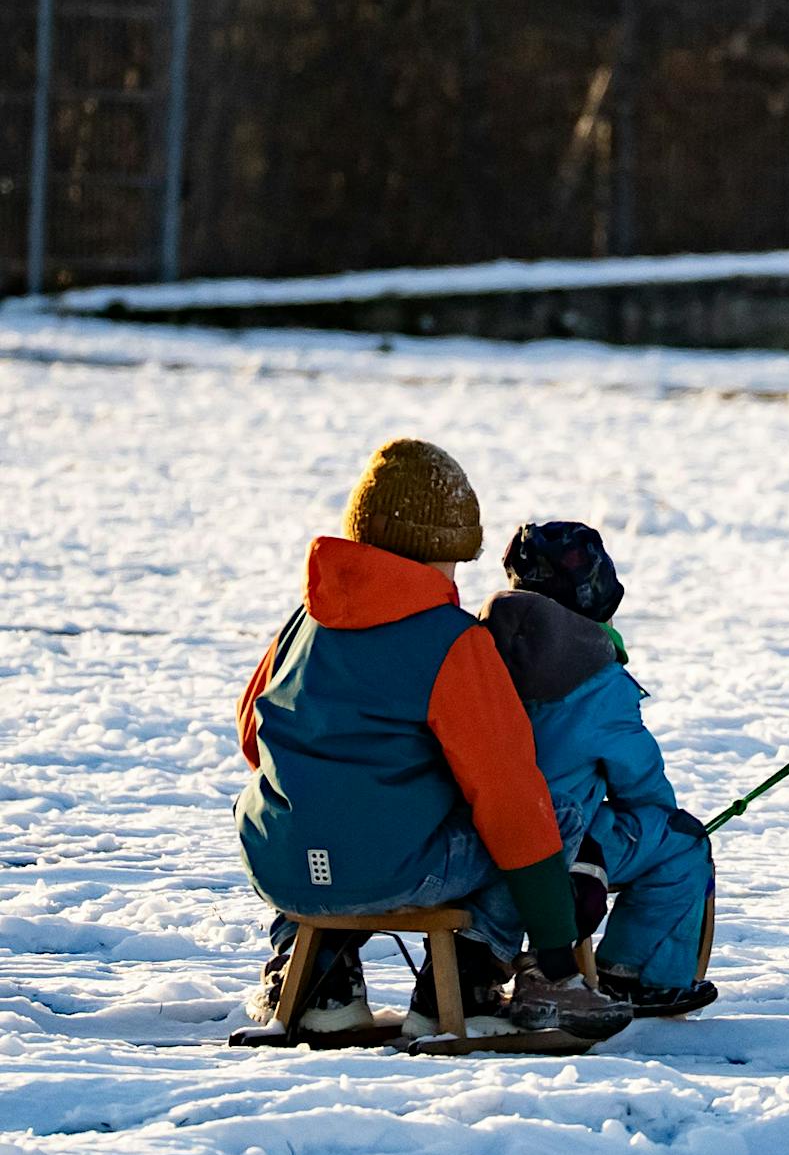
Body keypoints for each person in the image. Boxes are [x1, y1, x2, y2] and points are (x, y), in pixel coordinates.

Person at [235, 439, 636, 1039]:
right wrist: (556, 954)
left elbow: (253, 736)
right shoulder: (452, 642)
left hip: (281, 865)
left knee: (312, 811)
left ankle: (321, 979)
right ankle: (470, 980)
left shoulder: (304, 622)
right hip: (391, 870)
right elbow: (509, 798)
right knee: (553, 811)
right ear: (446, 550)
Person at [482, 521, 717, 1016]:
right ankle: (636, 976)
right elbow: (643, 788)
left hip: (469, 837)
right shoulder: (597, 682)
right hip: (555, 843)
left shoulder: (474, 652)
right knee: (681, 842)